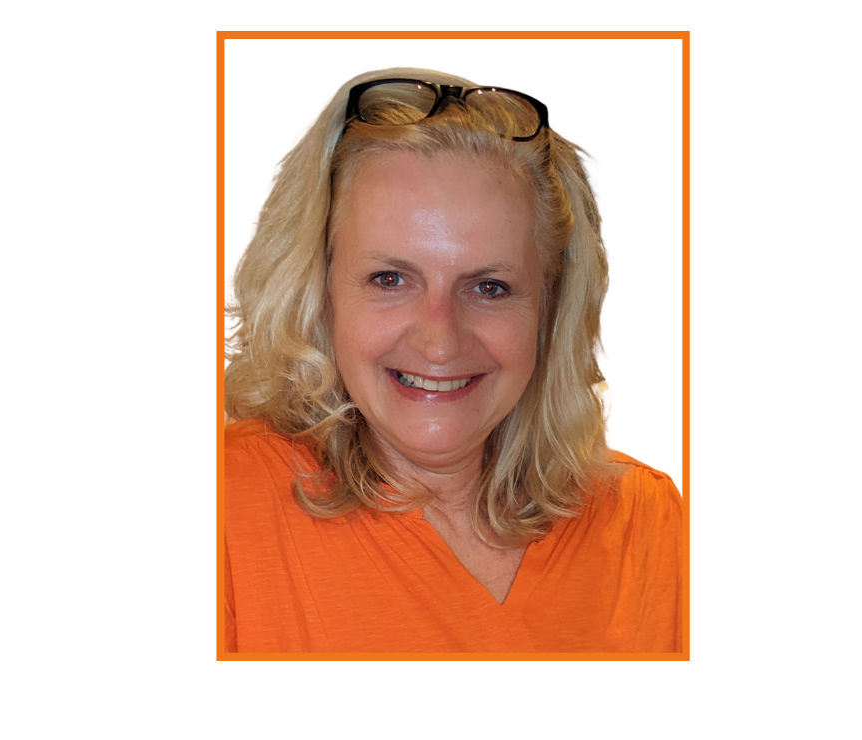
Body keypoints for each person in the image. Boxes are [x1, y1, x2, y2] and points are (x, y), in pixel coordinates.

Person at [224, 68, 682, 654]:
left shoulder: (648, 528)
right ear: (318, 289)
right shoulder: (224, 511)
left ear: (550, 307)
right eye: (390, 279)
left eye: (489, 287)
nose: (439, 341)